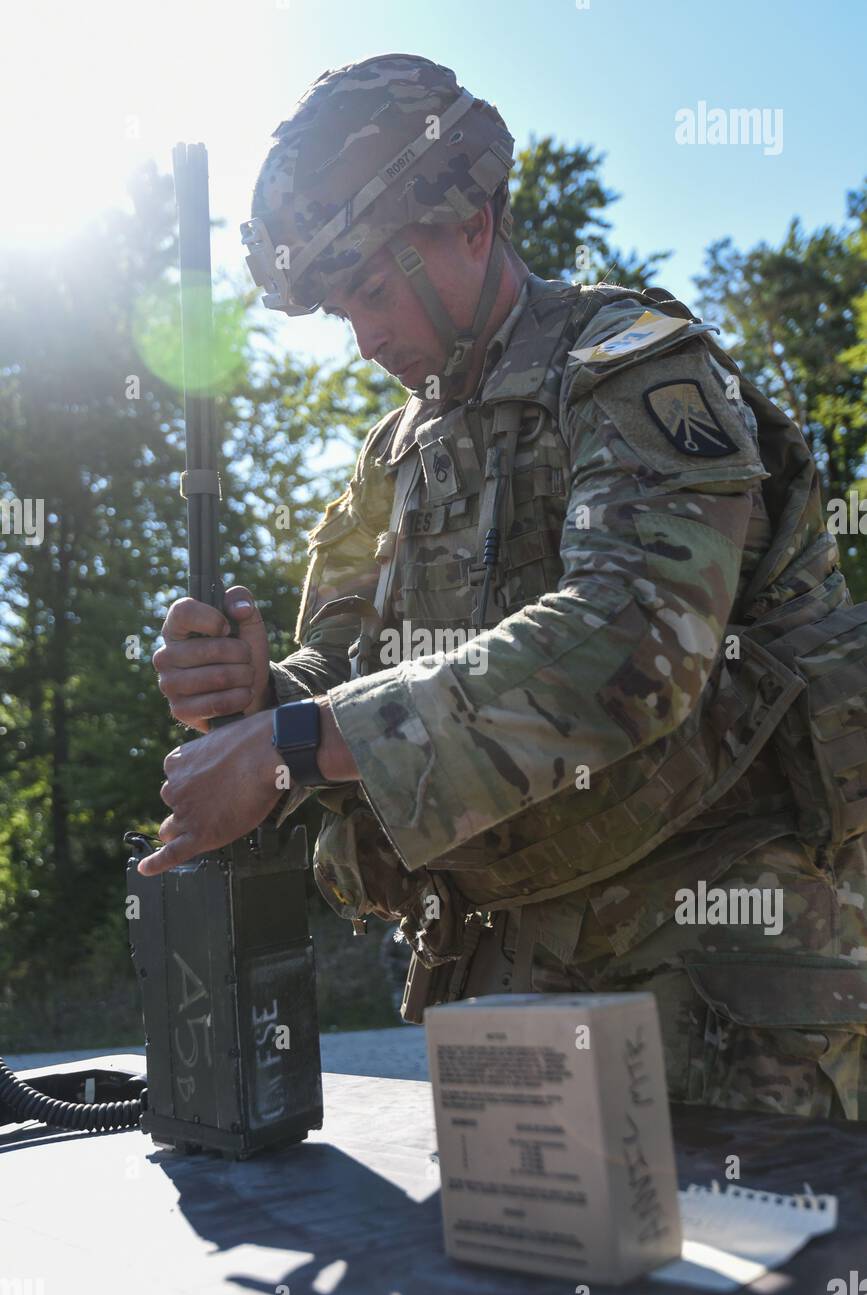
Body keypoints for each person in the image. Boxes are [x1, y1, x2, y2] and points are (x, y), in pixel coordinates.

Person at [145, 53, 867, 1120]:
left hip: (715, 983)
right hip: (504, 981)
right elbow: (343, 669)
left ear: (472, 223)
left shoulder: (631, 368)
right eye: (342, 309)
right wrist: (262, 693)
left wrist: (288, 745)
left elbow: (631, 645)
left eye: (375, 291)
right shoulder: (395, 453)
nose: (365, 337)